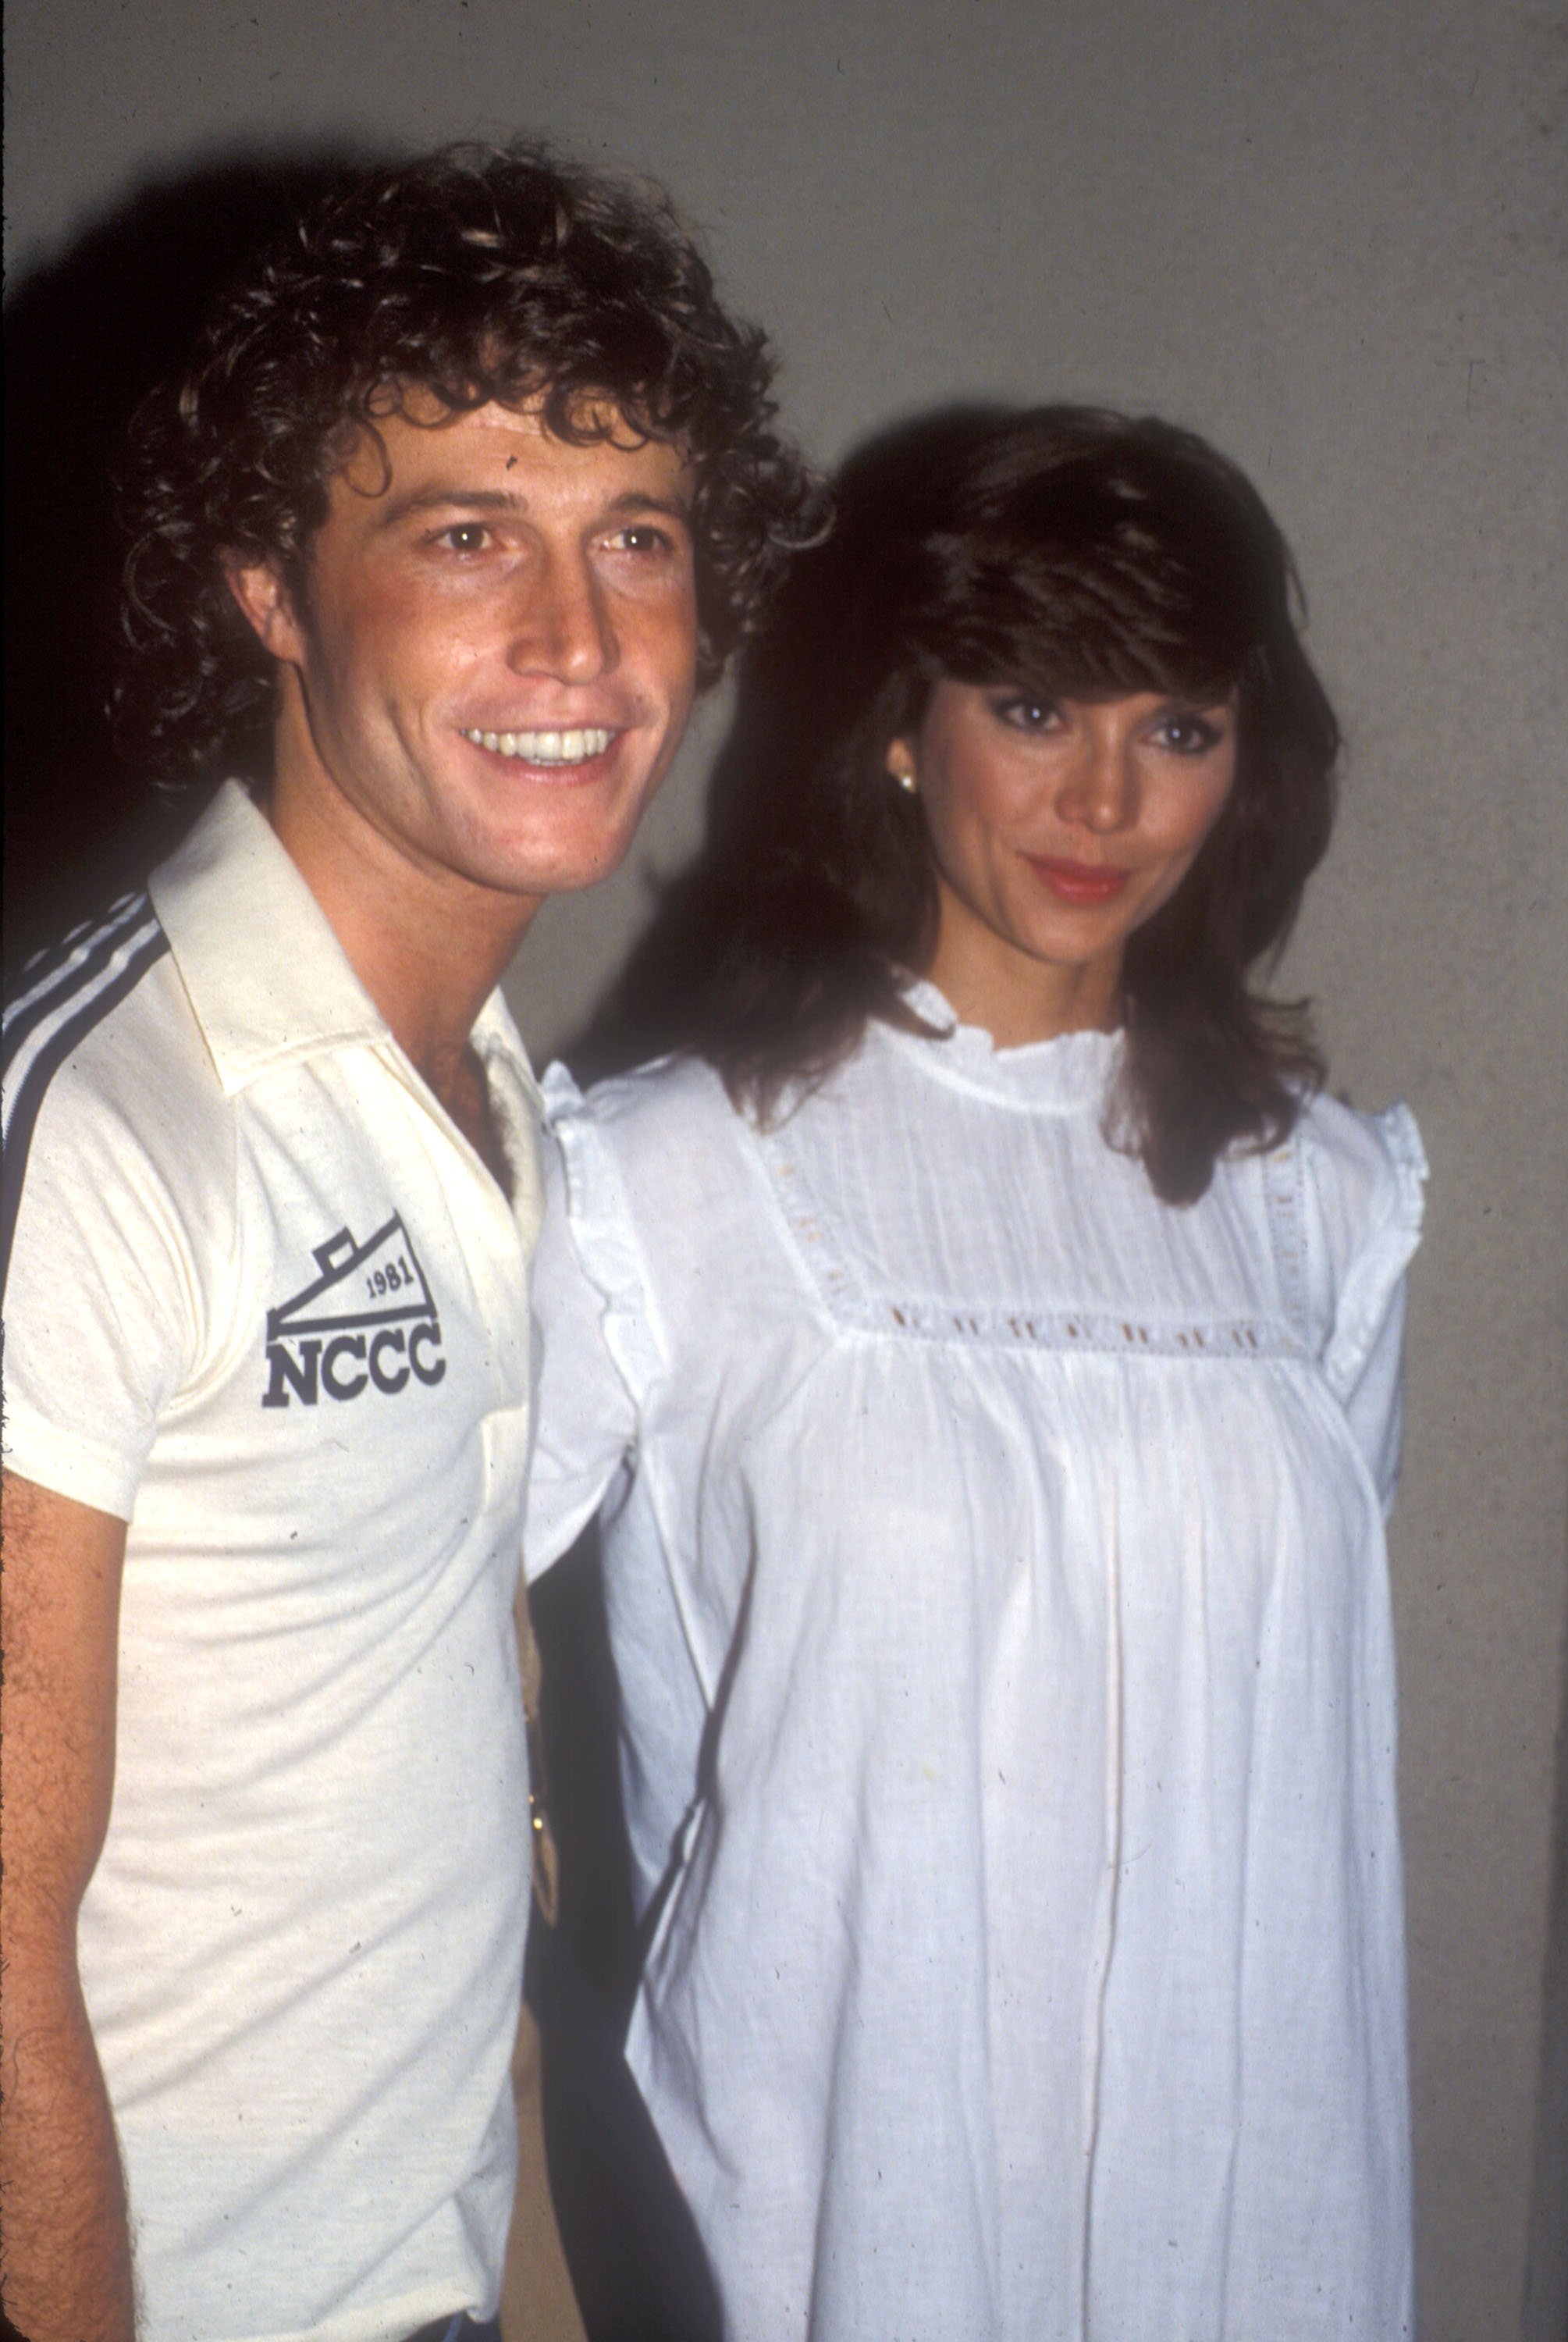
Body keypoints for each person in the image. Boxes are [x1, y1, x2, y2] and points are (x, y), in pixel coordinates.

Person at [0, 143, 819, 2342]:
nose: (578, 638)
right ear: (273, 586)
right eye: (466, 534)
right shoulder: (97, 1123)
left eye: (635, 538)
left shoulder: (489, 1090)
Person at [522, 405, 1425, 2340]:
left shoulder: (1325, 1204)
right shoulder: (667, 1172)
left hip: (1245, 2215)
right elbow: (387, 1663)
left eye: (1175, 728)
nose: (1103, 803)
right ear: (905, 723)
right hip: (837, 2220)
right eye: (1035, 707)